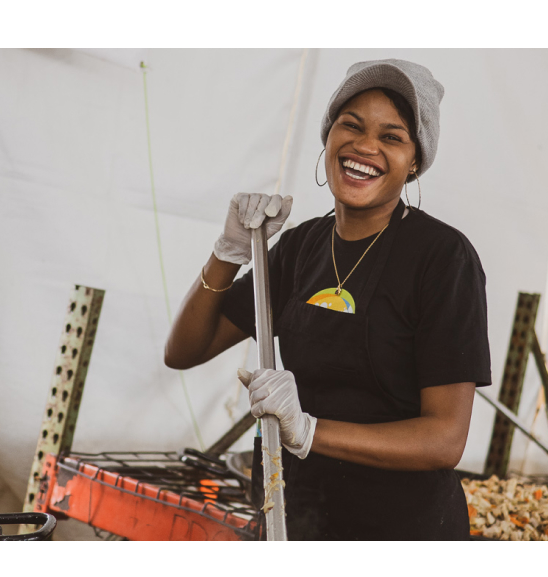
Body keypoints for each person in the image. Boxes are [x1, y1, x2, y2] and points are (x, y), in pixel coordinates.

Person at [164, 59, 491, 540]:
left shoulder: (443, 258)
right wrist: (228, 252)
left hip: (398, 531)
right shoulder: (301, 247)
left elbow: (444, 439)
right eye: (351, 125)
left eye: (392, 137)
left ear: (416, 161)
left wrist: (312, 430)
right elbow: (185, 350)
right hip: (295, 517)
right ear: (328, 135)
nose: (365, 147)